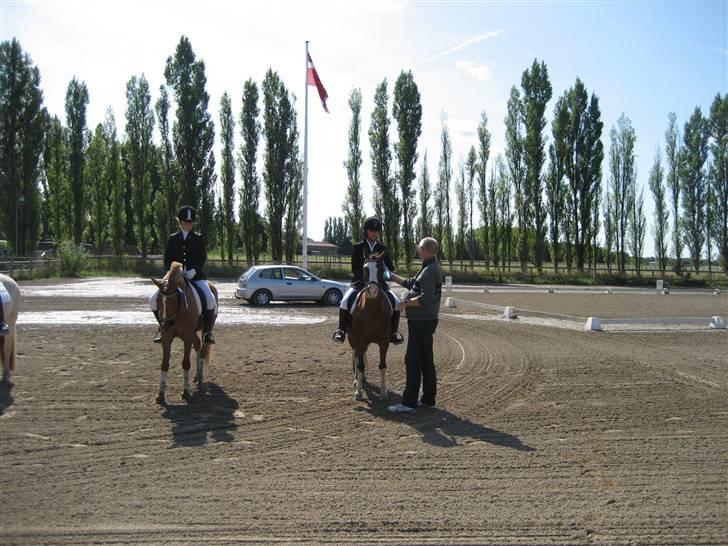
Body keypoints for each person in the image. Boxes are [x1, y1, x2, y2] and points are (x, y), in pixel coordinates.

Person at [386, 237, 442, 413]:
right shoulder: (428, 268)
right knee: (426, 361)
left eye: (418, 247)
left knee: (412, 360)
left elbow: (426, 298)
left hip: (421, 322)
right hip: (424, 322)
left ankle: (409, 403)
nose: (418, 250)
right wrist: (391, 275)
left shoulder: (430, 270)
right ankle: (428, 399)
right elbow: (411, 283)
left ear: (422, 250)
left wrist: (406, 303)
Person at [149, 205, 217, 344]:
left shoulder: (198, 238)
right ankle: (163, 328)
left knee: (210, 299)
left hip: (195, 277)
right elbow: (167, 259)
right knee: (152, 300)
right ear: (180, 222)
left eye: (190, 222)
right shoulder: (173, 238)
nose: (188, 224)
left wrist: (194, 270)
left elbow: (201, 257)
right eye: (186, 222)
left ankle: (208, 333)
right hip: (174, 278)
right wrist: (171, 273)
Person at [332, 216, 403, 345]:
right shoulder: (358, 247)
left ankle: (394, 332)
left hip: (379, 284)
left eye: (377, 231)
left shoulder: (382, 248)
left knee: (397, 303)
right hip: (360, 283)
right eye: (372, 230)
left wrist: (384, 270)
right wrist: (366, 280)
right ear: (366, 231)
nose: (374, 233)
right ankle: (341, 330)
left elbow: (390, 268)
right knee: (344, 302)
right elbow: (355, 268)